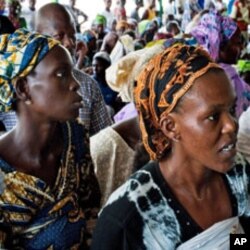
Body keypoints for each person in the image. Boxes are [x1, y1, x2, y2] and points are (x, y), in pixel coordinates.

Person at [91, 43, 250, 249]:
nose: (231, 125)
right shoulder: (127, 220)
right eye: (213, 116)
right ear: (170, 127)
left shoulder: (239, 176)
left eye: (231, 109)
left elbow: (242, 239)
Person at [0, 28, 100, 248]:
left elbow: (91, 210)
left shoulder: (75, 139)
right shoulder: (3, 176)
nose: (75, 84)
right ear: (23, 88)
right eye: (61, 74)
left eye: (72, 73)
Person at [35, 3, 112, 135]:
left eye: (73, 36)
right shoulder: (18, 87)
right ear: (37, 38)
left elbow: (104, 139)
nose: (69, 43)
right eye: (59, 36)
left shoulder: (88, 86)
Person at [191, 10, 250, 118]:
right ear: (221, 47)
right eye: (237, 42)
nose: (241, 47)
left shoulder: (203, 69)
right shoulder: (226, 77)